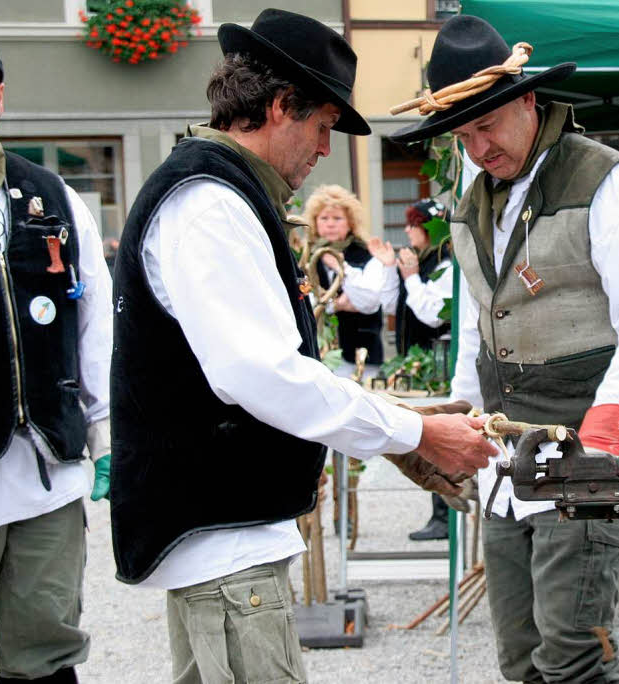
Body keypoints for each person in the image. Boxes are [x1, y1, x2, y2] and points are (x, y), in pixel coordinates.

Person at [109, 10, 496, 682]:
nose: (324, 150)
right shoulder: (209, 202)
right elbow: (258, 373)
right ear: (281, 105)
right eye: (322, 128)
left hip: (224, 541)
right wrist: (413, 435)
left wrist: (391, 430)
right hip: (223, 544)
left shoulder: (219, 192)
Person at [390, 16, 619, 683]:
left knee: (574, 661)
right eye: (462, 136)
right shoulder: (473, 204)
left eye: (486, 127)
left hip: (590, 461)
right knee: (520, 661)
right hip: (508, 469)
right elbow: (478, 324)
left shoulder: (607, 181)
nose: (477, 149)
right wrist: (458, 423)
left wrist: (606, 431)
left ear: (528, 99)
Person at [0, 31, 113, 684]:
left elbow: (94, 316)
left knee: (46, 655)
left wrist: (105, 433)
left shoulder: (52, 196)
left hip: (46, 471)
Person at [377, 198, 455, 540]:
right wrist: (388, 268)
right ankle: (439, 514)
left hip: (440, 365)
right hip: (420, 362)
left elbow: (433, 313)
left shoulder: (446, 264)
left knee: (441, 434)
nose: (407, 231)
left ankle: (445, 516)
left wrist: (410, 277)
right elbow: (387, 303)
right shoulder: (420, 262)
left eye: (413, 224)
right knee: (429, 436)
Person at [302, 184, 387, 377]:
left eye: (337, 218)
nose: (330, 224)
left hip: (363, 355)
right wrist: (335, 304)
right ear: (315, 222)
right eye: (324, 218)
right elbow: (305, 302)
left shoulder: (366, 254)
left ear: (350, 223)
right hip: (321, 356)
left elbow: (370, 302)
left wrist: (340, 267)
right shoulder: (308, 257)